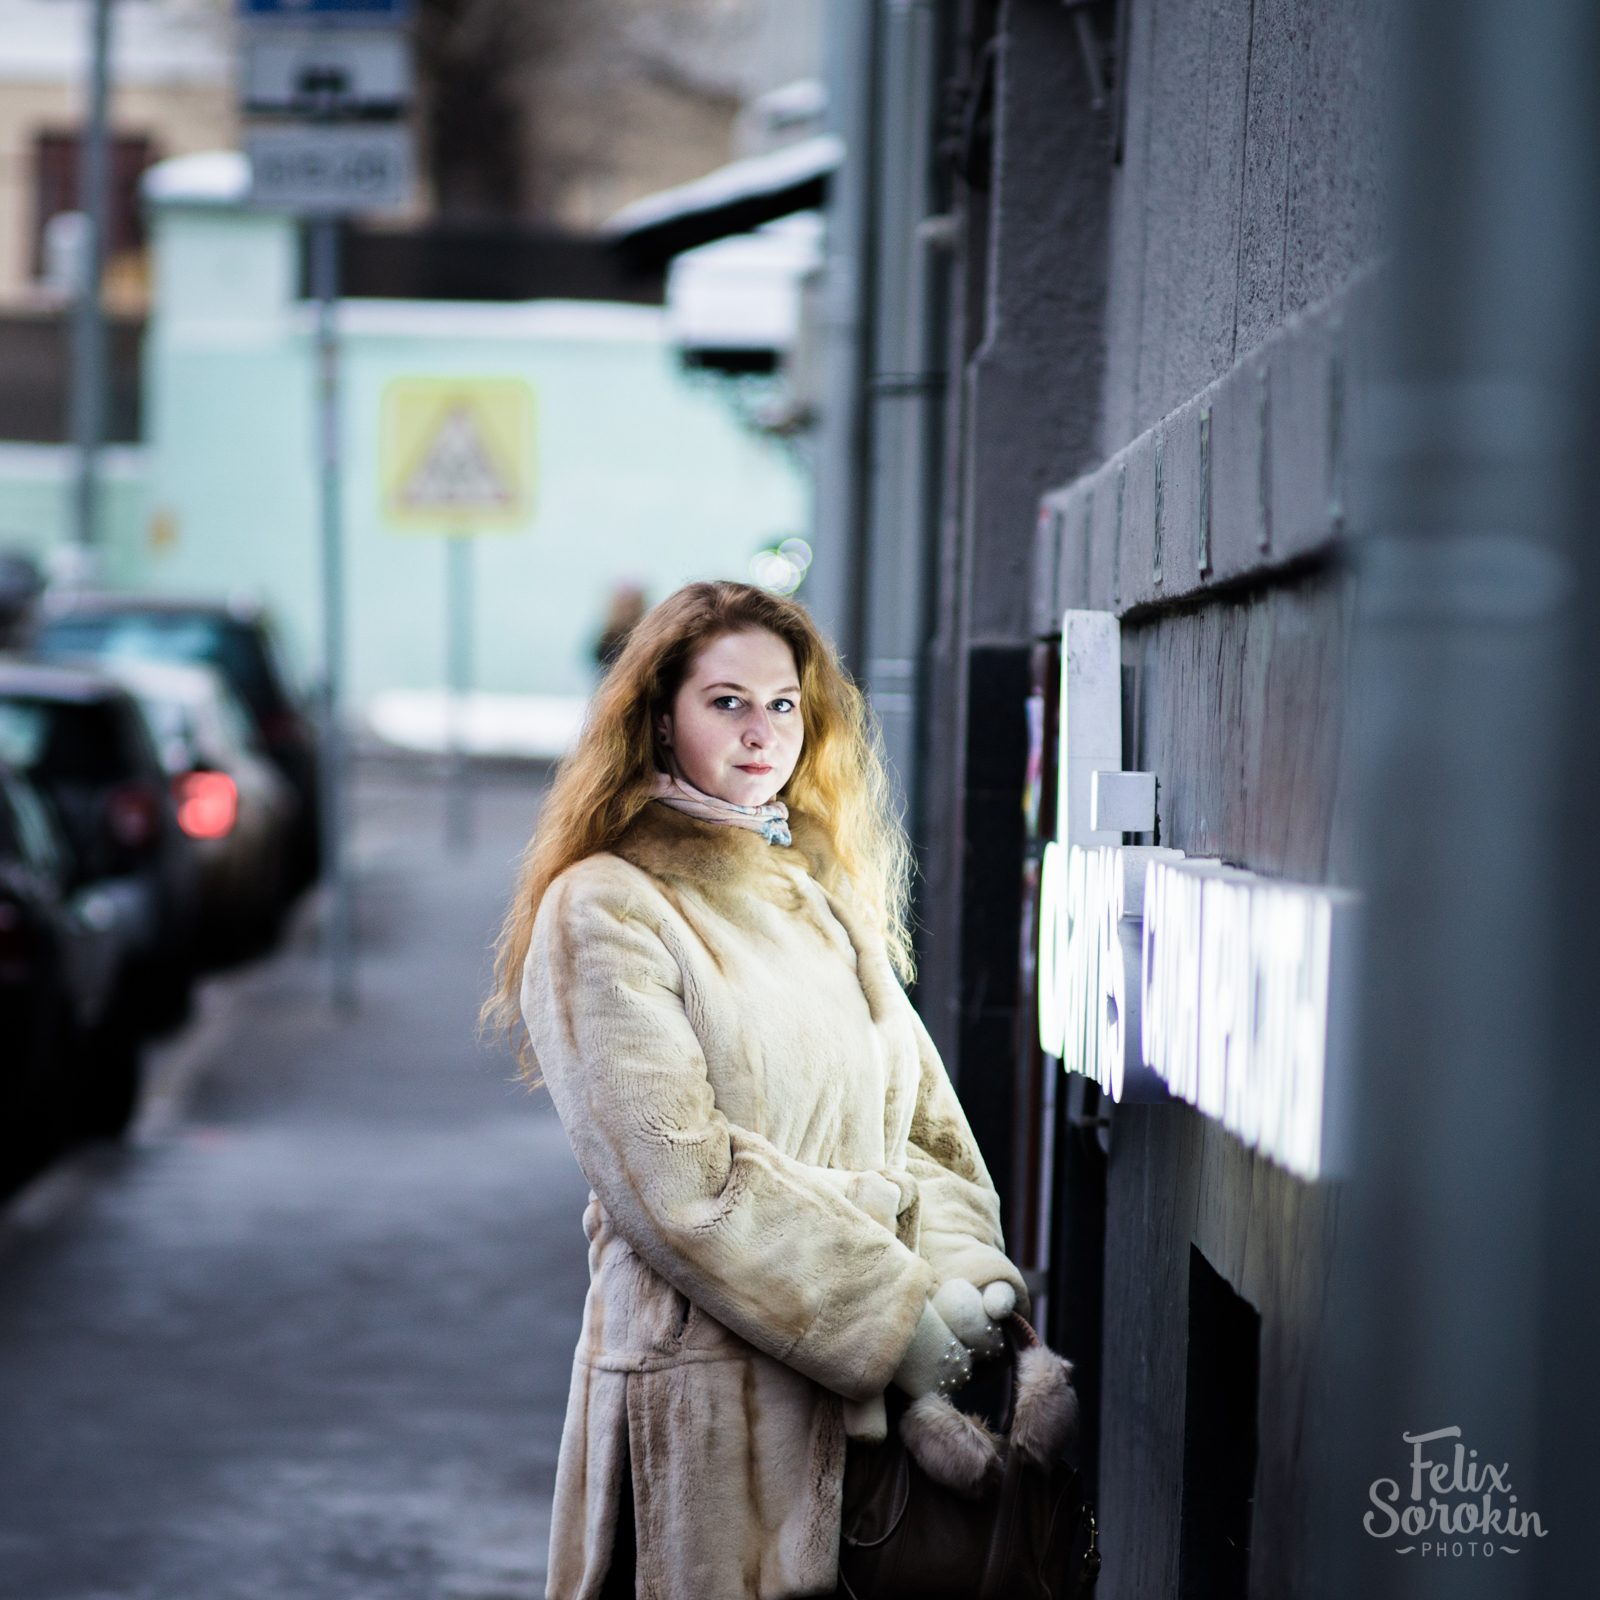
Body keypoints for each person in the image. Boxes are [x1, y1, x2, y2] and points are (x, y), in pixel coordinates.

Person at [488, 581, 1027, 1600]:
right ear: (660, 716)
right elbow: (680, 1184)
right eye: (725, 701)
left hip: (878, 1428)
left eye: (782, 704)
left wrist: (962, 1289)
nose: (759, 732)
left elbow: (926, 1133)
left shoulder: (819, 897)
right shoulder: (603, 906)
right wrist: (894, 1320)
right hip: (710, 1425)